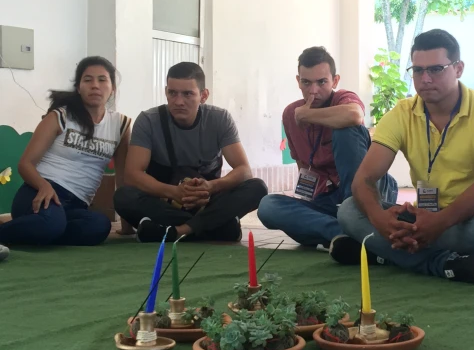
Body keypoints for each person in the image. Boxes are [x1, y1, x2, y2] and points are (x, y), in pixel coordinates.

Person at [334, 29, 474, 285]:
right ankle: (446, 265)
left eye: (436, 69)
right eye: (418, 70)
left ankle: (384, 254)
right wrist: (380, 220)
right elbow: (364, 179)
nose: (425, 79)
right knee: (350, 210)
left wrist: (440, 222)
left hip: (471, 222)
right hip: (424, 222)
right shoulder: (402, 113)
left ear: (459, 68)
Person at [257, 47, 397, 249]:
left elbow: (354, 116)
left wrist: (306, 115)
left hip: (367, 193)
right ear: (298, 81)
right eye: (306, 82)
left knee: (345, 128)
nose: (313, 90)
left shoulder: (343, 99)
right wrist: (305, 207)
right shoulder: (290, 114)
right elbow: (302, 165)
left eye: (322, 82)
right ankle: (348, 234)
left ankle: (352, 221)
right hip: (327, 200)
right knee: (268, 206)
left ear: (335, 81)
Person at [113, 62, 267, 242]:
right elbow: (132, 175)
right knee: (123, 197)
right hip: (164, 201)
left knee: (257, 188)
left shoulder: (220, 119)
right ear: (166, 92)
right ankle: (218, 227)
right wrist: (173, 192)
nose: (179, 101)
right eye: (172, 93)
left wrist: (211, 187)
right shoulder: (148, 121)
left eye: (187, 94)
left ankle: (176, 231)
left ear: (203, 95)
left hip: (207, 201)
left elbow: (243, 170)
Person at [0, 57, 130, 246]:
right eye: (88, 80)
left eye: (102, 80)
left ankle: (41, 231)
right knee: (50, 223)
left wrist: (126, 225)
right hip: (38, 192)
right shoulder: (60, 116)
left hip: (76, 205)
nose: (95, 85)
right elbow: (25, 164)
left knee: (99, 225)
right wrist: (44, 186)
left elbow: (122, 178)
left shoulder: (120, 125)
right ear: (78, 87)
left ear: (113, 89)